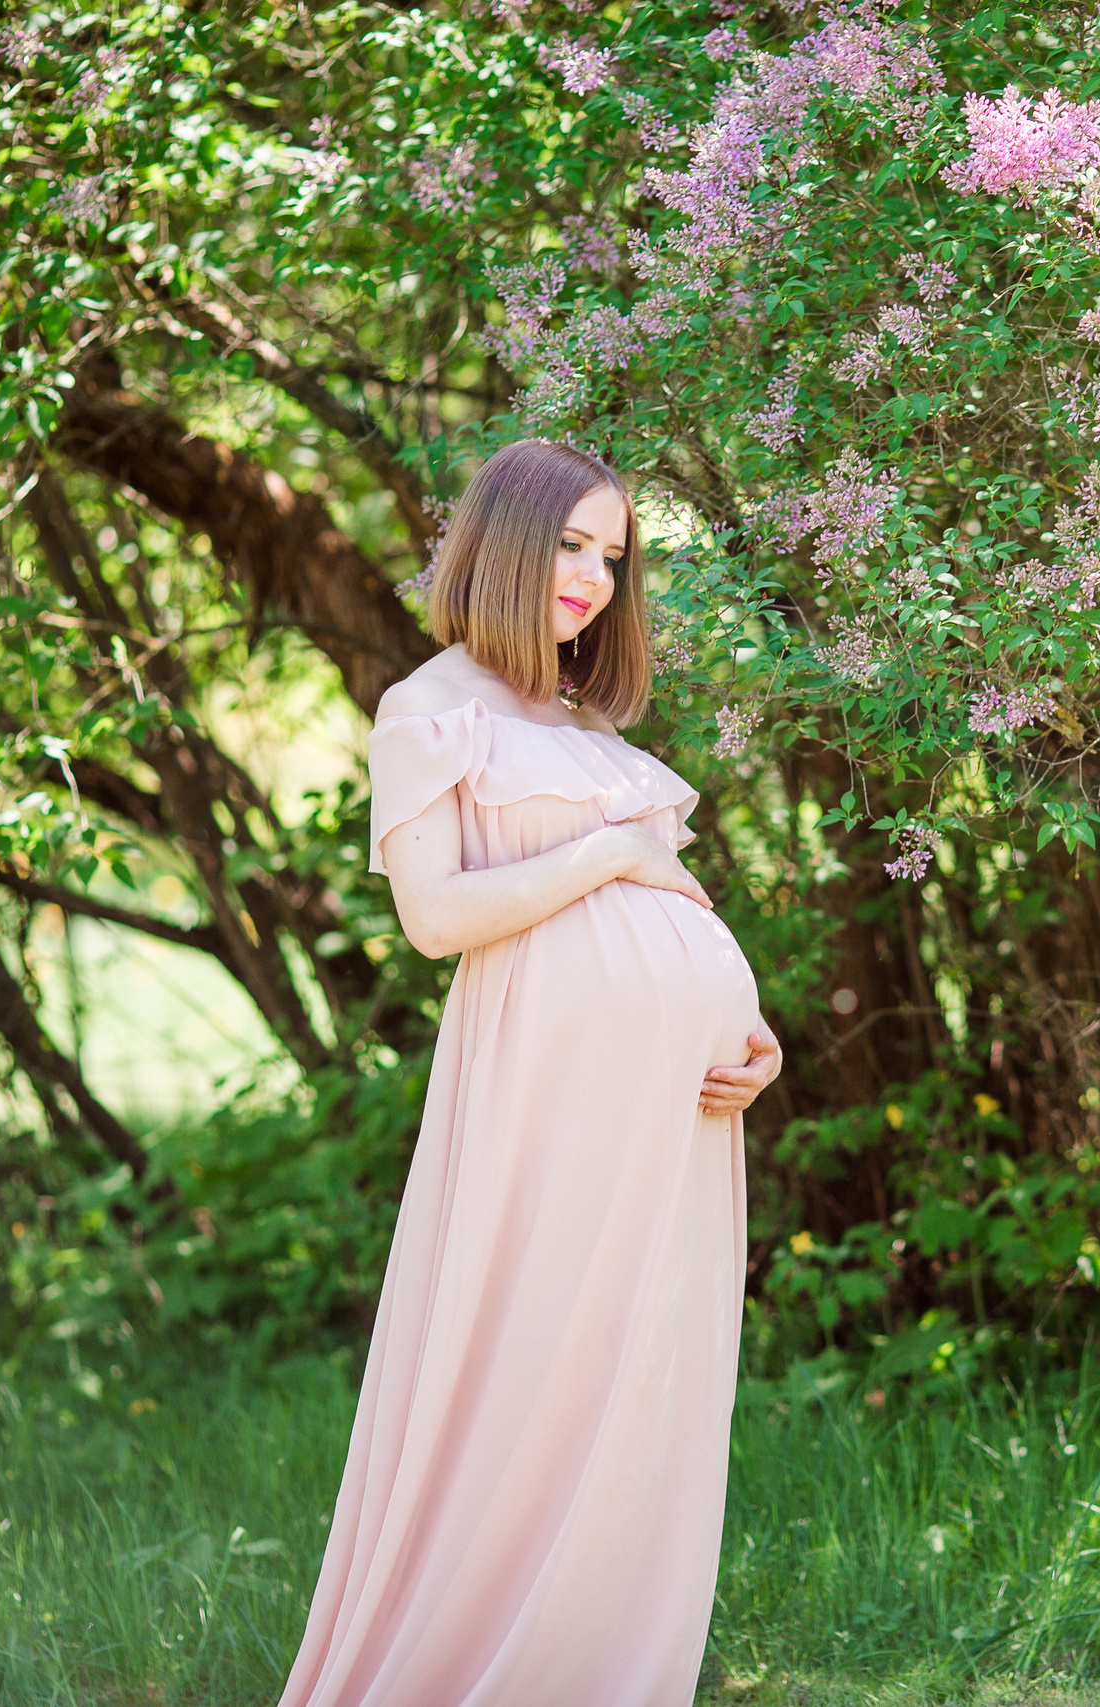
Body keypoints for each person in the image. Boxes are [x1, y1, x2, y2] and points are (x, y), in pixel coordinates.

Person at [277, 438, 783, 1707]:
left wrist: (750, 1020)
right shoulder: (428, 709)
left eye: (611, 556)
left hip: (673, 1115)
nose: (594, 578)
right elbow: (437, 919)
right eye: (570, 544)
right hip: (546, 1100)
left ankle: (600, 1673)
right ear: (503, 541)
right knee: (536, 1365)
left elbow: (668, 885)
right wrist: (608, 860)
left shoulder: (587, 725)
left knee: (641, 1383)